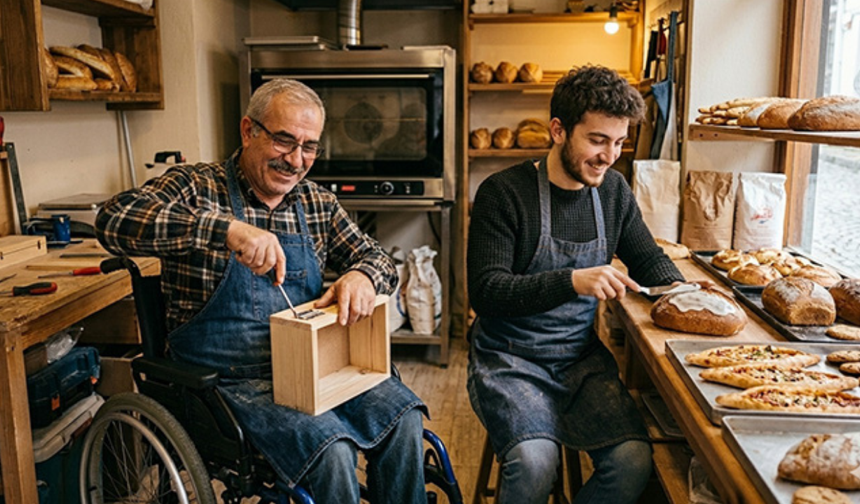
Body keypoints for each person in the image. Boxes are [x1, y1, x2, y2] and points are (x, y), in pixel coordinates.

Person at [96, 78, 428, 504]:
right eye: (284, 140)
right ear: (248, 130)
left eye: (309, 147)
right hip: (225, 384)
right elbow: (113, 219)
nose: (296, 160)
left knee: (404, 419)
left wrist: (364, 276)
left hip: (310, 368)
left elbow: (379, 258)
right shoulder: (198, 187)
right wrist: (224, 230)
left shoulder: (317, 203)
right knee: (333, 451)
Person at [466, 65, 686, 504]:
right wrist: (571, 281)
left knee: (632, 461)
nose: (610, 155)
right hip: (508, 359)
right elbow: (487, 292)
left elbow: (648, 259)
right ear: (558, 130)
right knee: (534, 462)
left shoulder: (613, 192)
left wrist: (686, 295)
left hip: (577, 359)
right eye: (598, 140)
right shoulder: (503, 193)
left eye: (619, 141)